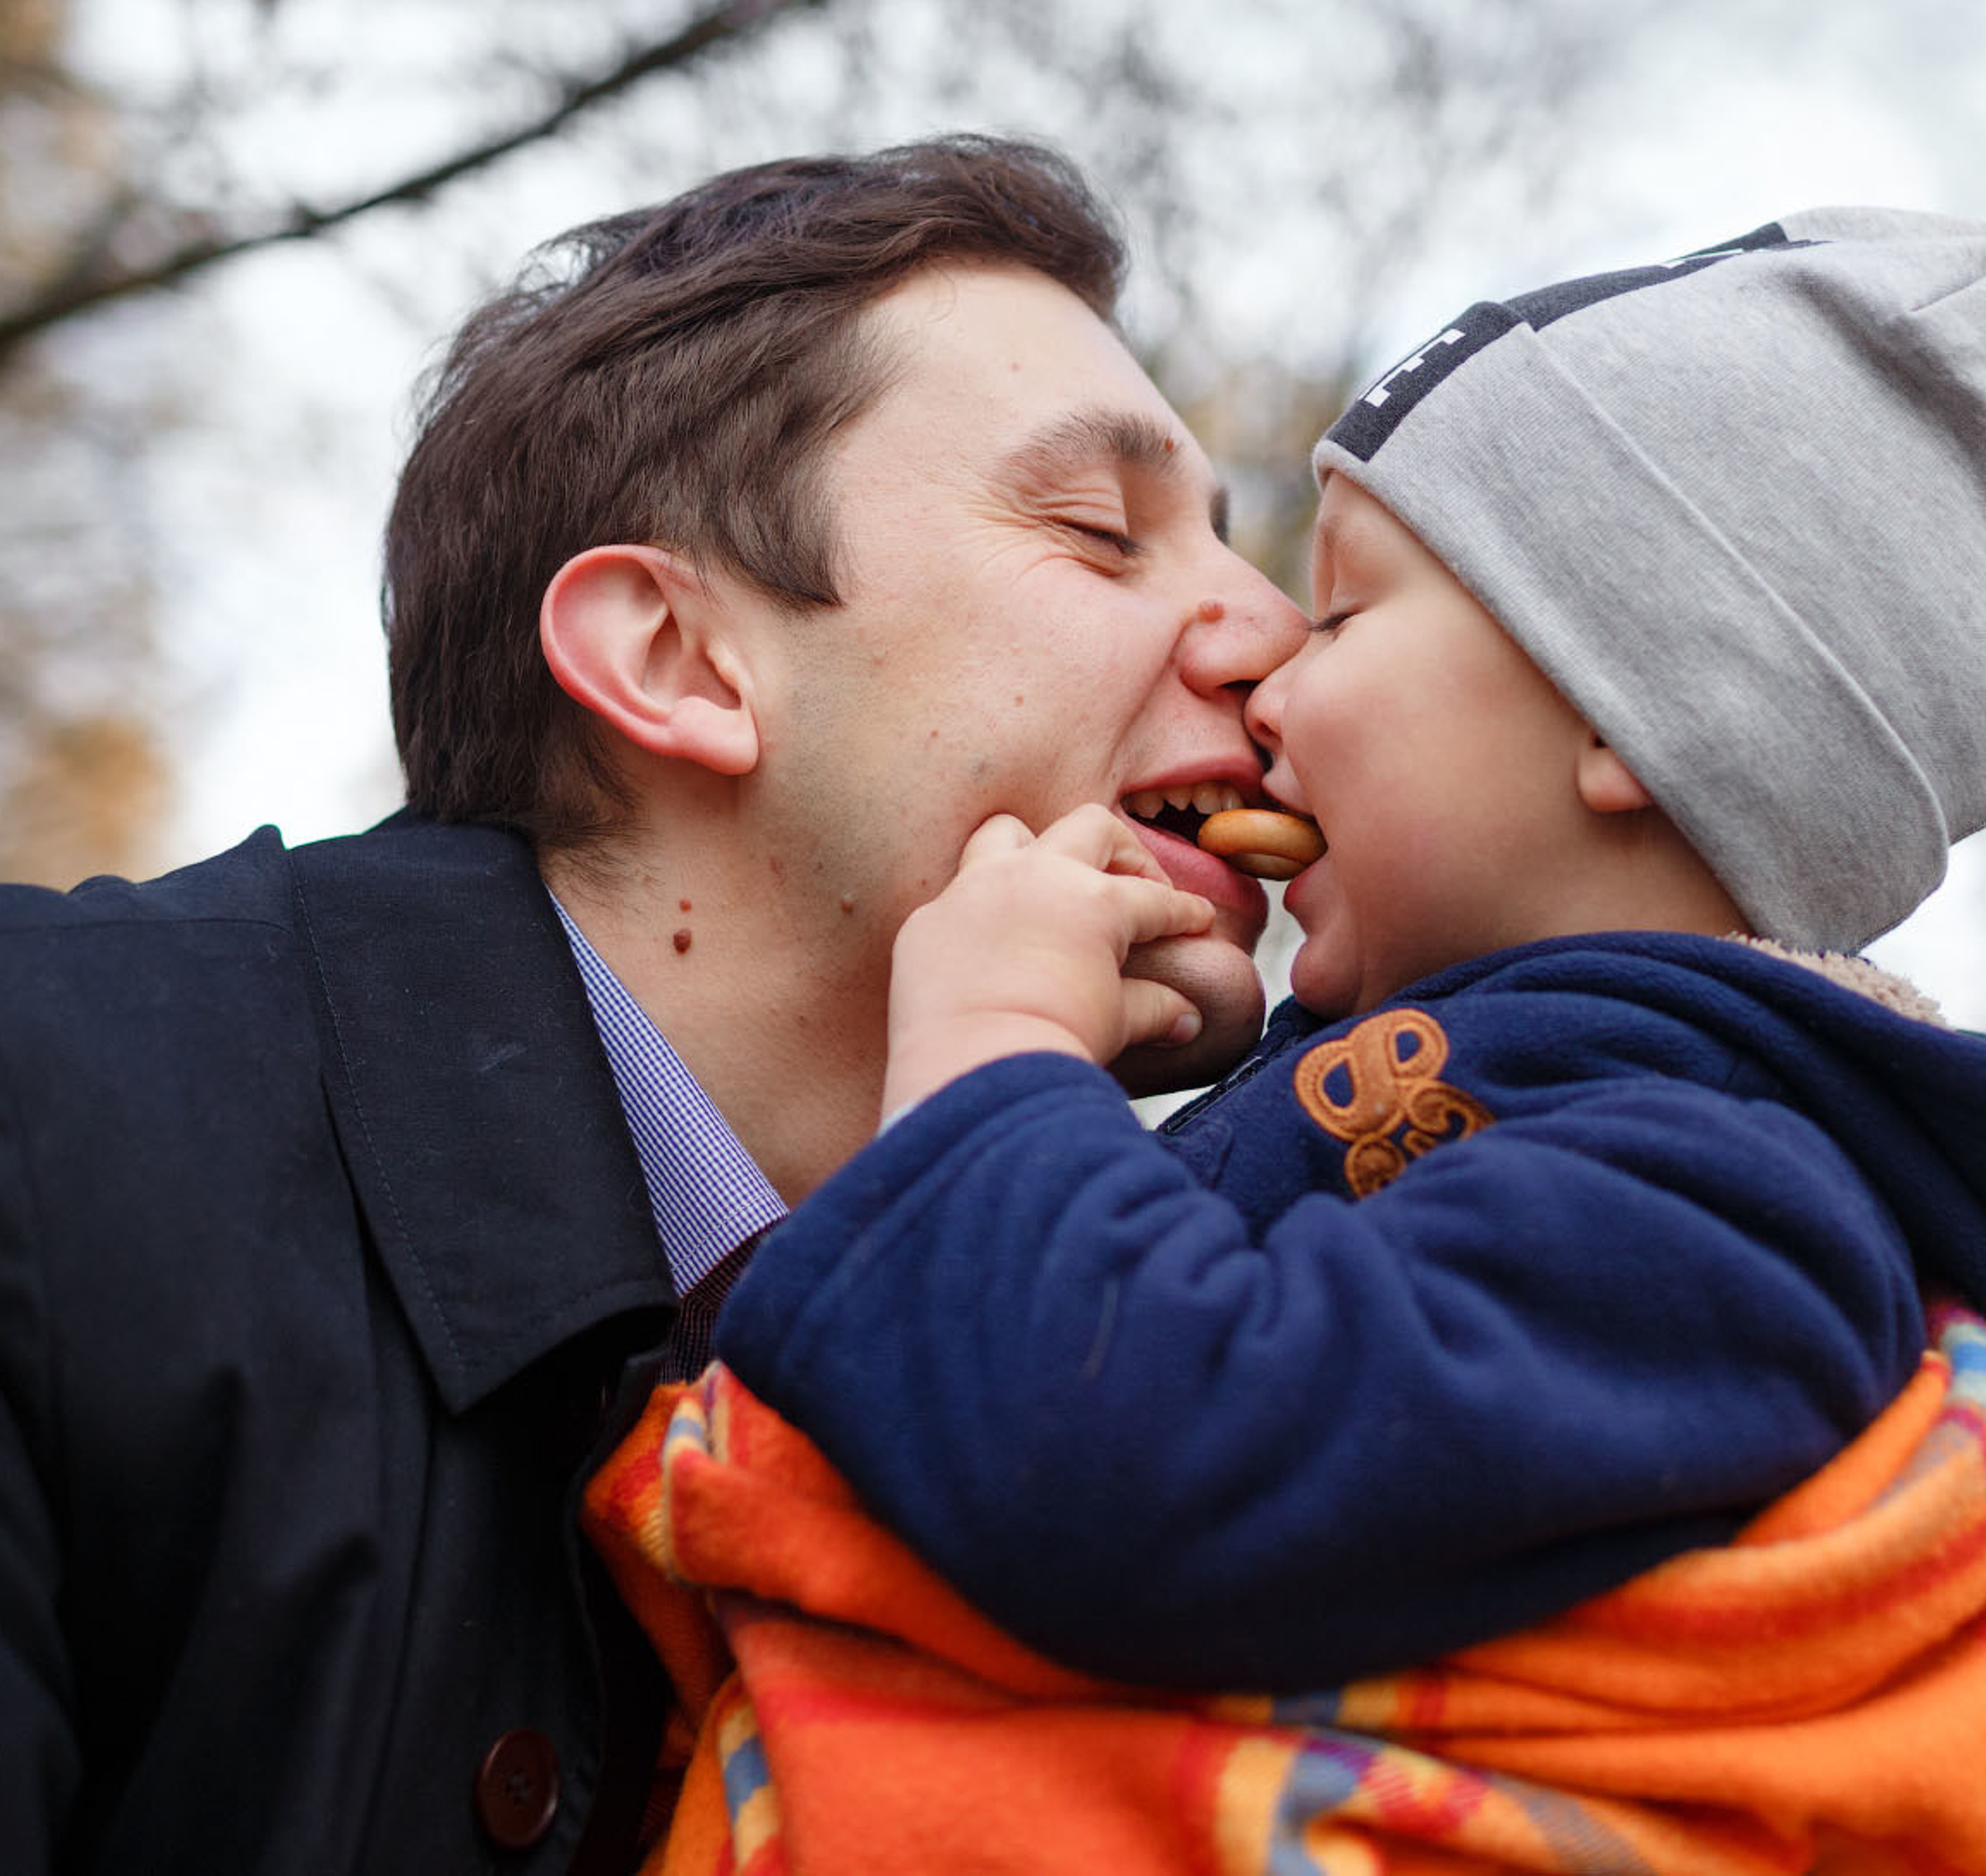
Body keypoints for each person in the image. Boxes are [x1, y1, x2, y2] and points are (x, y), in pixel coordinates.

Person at [599, 210, 1986, 1869]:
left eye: (1352, 615)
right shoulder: (1537, 1132)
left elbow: (1155, 1469)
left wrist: (997, 1054)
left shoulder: (1714, 1205)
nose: (1271, 677)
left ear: (1625, 716)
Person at [0, 136, 1303, 1876]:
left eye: (1234, 546)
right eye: (1097, 527)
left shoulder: (1183, 1356)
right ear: (676, 660)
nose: (1273, 632)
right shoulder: (42, 1128)